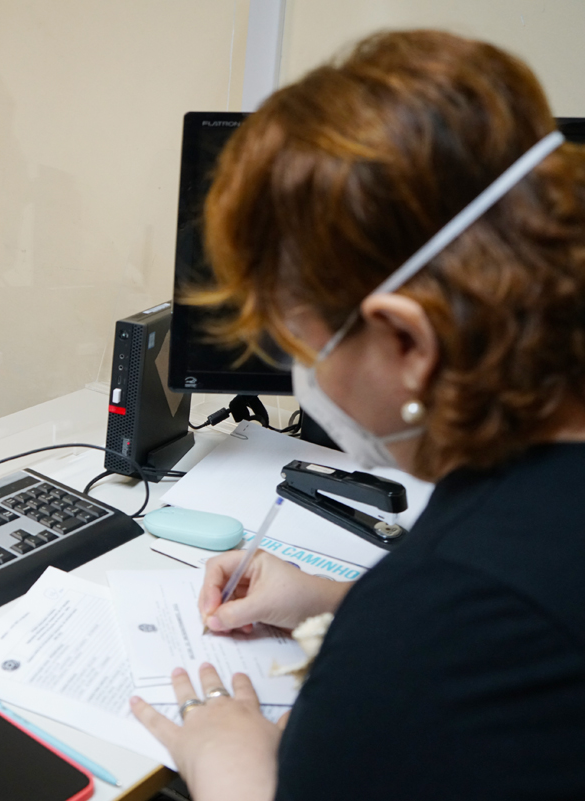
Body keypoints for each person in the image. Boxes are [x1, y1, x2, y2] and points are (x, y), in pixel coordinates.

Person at [129, 30, 585, 800]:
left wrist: (229, 762)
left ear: (408, 340)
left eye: (301, 341)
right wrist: (328, 597)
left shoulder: (432, 620)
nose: (304, 373)